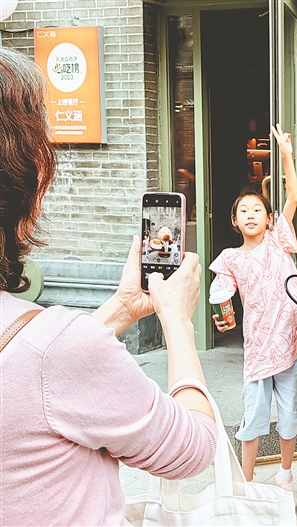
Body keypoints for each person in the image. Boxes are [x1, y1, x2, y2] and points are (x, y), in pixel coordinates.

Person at [0, 47, 217, 525]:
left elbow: (33, 366)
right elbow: (194, 449)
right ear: (27, 189)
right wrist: (177, 321)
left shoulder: (52, 350)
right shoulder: (57, 351)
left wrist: (121, 309)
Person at [209, 123, 297, 501]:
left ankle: (285, 475)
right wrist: (221, 314)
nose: (251, 214)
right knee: (253, 416)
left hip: (290, 342)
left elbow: (294, 195)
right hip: (257, 348)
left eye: (257, 209)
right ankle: (246, 486)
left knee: (289, 414)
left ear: (269, 219)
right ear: (234, 221)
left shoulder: (278, 239)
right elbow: (220, 294)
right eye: (243, 210)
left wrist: (286, 154)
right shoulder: (229, 258)